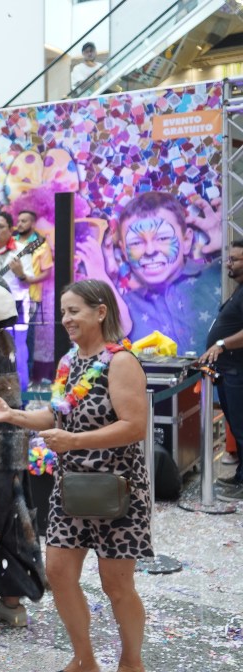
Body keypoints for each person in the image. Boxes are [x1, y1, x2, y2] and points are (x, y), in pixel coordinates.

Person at [0, 279, 150, 672]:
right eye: (63, 312)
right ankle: (85, 662)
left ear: (100, 312)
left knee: (116, 585)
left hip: (117, 489)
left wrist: (74, 441)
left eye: (74, 311)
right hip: (70, 487)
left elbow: (134, 426)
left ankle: (132, 666)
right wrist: (13, 416)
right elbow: (58, 415)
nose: (66, 319)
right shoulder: (69, 362)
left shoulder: (121, 362)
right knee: (58, 572)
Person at [116, 191, 222, 353]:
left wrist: (228, 246)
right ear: (124, 251)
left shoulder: (221, 274)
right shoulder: (123, 307)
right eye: (136, 242)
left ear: (186, 241)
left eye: (163, 238)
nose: (150, 250)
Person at [200, 240, 243, 502]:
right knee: (237, 428)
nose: (229, 263)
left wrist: (221, 344)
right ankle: (240, 477)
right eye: (229, 259)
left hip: (238, 372)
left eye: (235, 259)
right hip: (229, 372)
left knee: (242, 428)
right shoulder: (239, 290)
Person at [10, 209, 55, 384]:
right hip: (9, 297)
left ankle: (25, 377)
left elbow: (47, 272)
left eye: (24, 221)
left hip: (31, 298)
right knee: (6, 337)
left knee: (26, 338)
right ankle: (8, 374)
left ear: (33, 224)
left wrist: (29, 280)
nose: (20, 224)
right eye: (19, 220)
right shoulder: (11, 242)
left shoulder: (41, 245)